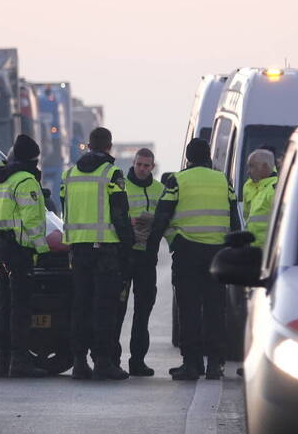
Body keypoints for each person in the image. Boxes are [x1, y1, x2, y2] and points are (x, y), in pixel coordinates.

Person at [147, 138, 239, 381]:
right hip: (218, 255)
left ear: (188, 158)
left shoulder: (178, 180)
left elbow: (161, 217)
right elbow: (234, 219)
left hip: (188, 252)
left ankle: (191, 364)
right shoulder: (223, 180)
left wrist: (152, 250)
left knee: (189, 309)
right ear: (208, 156)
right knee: (215, 309)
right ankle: (215, 365)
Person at [61, 127, 135, 381]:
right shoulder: (112, 174)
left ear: (88, 145)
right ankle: (103, 362)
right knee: (104, 309)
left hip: (78, 250)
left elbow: (65, 208)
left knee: (80, 307)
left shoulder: (69, 174)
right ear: (109, 147)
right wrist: (128, 246)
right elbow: (120, 215)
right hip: (105, 251)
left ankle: (79, 362)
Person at [0, 134, 50, 378]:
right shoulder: (26, 181)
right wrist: (42, 251)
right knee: (20, 308)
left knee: (2, 305)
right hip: (19, 251)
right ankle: (19, 361)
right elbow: (32, 221)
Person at [115, 148, 164, 376]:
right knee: (117, 310)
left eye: (146, 165)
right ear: (133, 163)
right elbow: (110, 215)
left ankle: (137, 361)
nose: (142, 169)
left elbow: (167, 218)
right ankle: (113, 360)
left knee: (143, 311)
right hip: (125, 255)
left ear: (152, 167)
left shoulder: (159, 190)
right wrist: (129, 221)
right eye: (139, 164)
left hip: (147, 257)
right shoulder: (121, 186)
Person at [244, 149, 278, 248]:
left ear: (265, 166)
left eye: (252, 166)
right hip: (257, 251)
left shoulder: (273, 190)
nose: (248, 172)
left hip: (267, 252)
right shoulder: (261, 189)